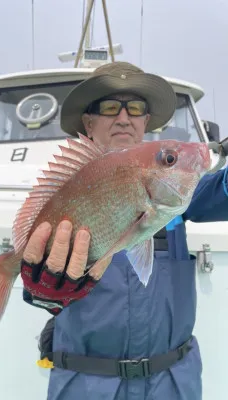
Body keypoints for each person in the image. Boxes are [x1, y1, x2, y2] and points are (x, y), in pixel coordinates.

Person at [20, 61, 228, 400]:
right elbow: (36, 290)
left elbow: (222, 191)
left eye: (134, 107)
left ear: (146, 121)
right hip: (86, 386)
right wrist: (41, 290)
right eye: (108, 107)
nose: (123, 117)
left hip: (173, 384)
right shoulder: (66, 191)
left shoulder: (176, 191)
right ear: (88, 122)